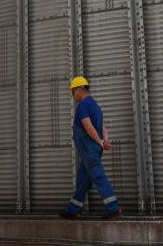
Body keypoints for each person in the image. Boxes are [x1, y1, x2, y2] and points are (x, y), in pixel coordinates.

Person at [59, 76, 121, 220]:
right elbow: (103, 128)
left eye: (73, 92)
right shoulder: (96, 106)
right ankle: (73, 210)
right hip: (92, 150)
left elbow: (88, 126)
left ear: (79, 90)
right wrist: (105, 141)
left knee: (99, 177)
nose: (73, 95)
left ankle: (114, 208)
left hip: (89, 150)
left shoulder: (83, 105)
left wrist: (99, 141)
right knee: (82, 180)